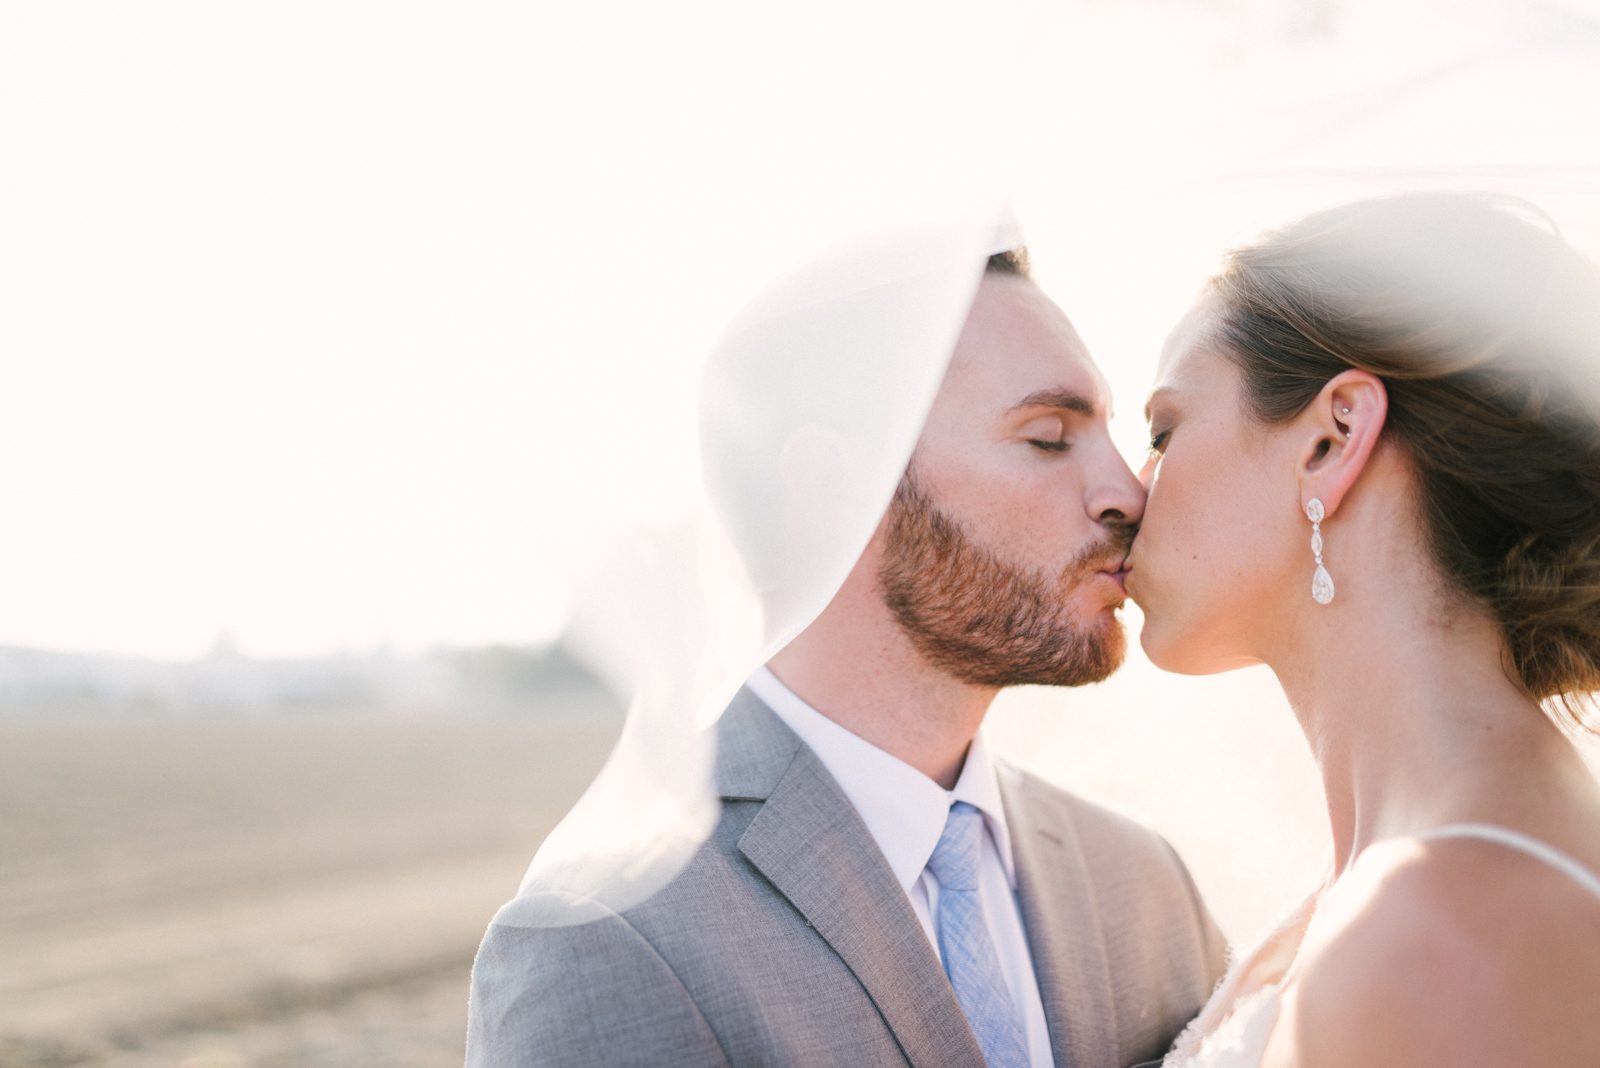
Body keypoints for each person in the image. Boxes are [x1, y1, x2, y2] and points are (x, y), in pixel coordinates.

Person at [467, 229, 1227, 1067]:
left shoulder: (1144, 885)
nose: (1125, 492)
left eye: (1111, 435)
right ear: (838, 486)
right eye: (1049, 436)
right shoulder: (605, 941)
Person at [1128, 192, 1600, 1067]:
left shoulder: (1440, 942)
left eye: (1164, 431)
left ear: (1333, 439)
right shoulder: (1407, 882)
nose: (1129, 490)